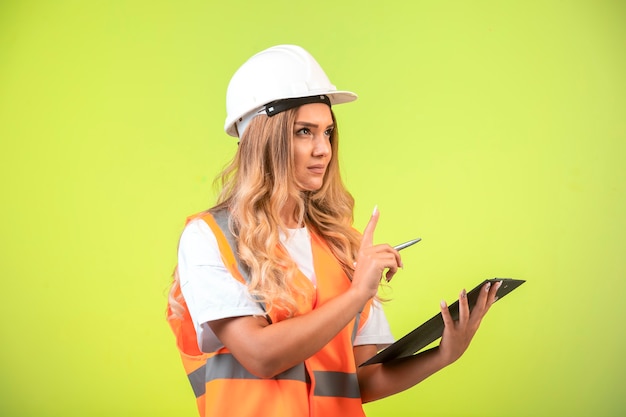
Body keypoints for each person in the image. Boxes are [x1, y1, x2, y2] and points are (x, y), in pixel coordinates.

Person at [167, 44, 500, 417]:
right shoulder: (209, 238)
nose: (323, 149)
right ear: (264, 138)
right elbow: (260, 356)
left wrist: (442, 356)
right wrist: (358, 293)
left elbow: (361, 381)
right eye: (304, 132)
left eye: (327, 132)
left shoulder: (339, 246)